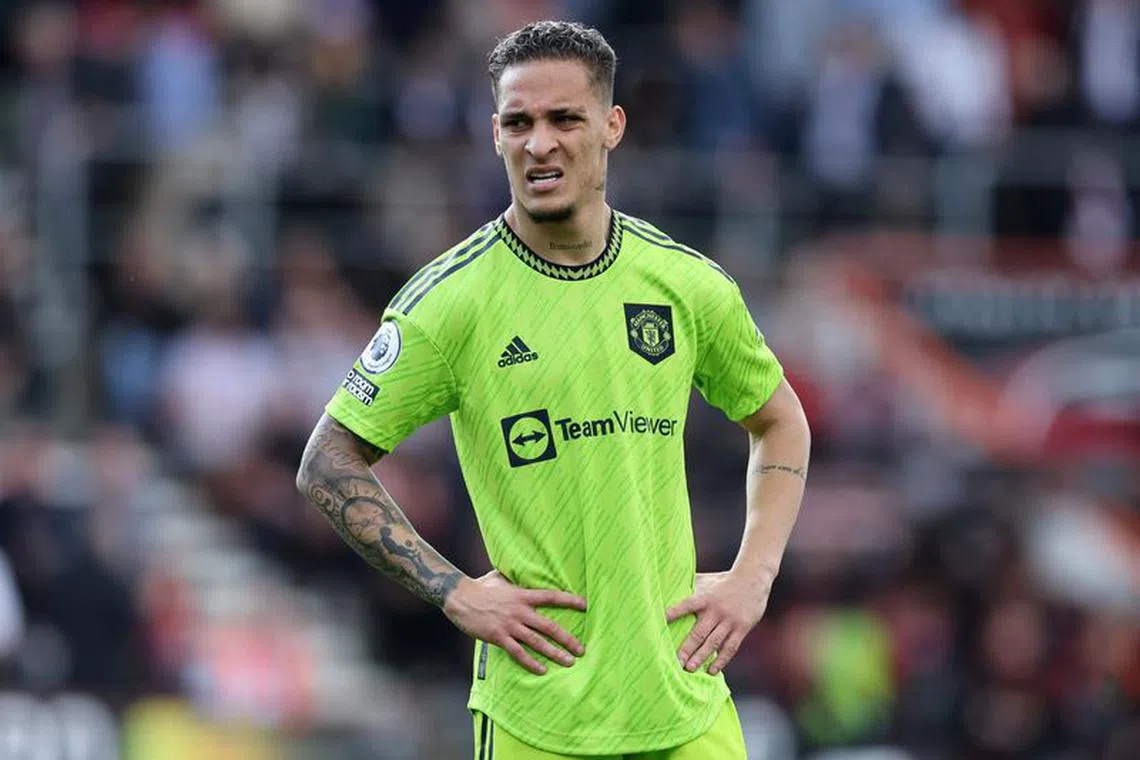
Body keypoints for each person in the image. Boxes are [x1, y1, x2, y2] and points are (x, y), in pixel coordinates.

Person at [296, 20, 811, 760]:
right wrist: (454, 590)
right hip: (539, 714)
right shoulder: (451, 302)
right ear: (495, 135)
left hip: (683, 698)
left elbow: (780, 421)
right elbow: (327, 461)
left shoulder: (685, 284)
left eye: (564, 118)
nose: (540, 143)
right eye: (519, 123)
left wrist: (752, 577)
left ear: (611, 125)